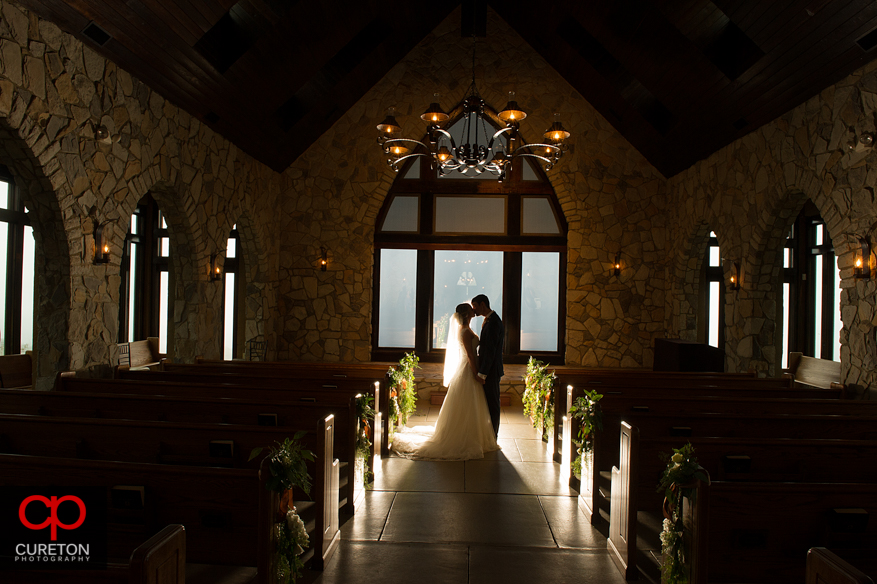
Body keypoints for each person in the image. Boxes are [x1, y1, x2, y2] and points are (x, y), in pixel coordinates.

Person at [391, 303, 500, 461]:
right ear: (467, 314)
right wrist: (477, 374)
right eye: (472, 310)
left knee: (470, 404)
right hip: (468, 369)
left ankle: (470, 432)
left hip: (467, 368)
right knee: (468, 403)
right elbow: (470, 356)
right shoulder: (466, 332)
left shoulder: (465, 330)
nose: (474, 311)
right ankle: (466, 435)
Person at [471, 294, 503, 438]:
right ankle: (488, 433)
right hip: (488, 369)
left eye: (475, 306)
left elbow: (490, 351)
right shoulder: (488, 320)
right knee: (488, 403)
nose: (474, 310)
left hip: (491, 371)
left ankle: (493, 436)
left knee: (493, 404)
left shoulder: (494, 322)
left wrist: (482, 373)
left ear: (482, 304)